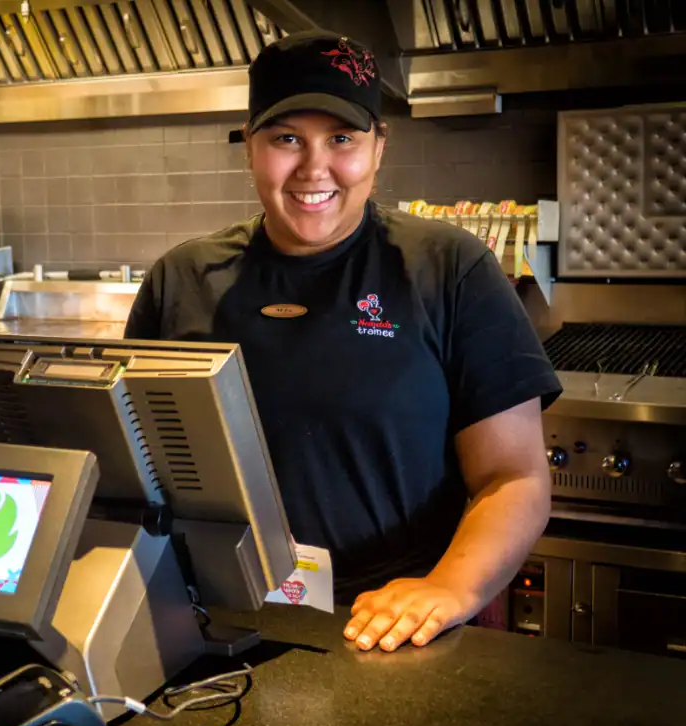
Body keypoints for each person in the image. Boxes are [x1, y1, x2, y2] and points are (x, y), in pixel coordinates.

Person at [123, 30, 561, 652]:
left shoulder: (447, 268)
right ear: (250, 146)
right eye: (286, 139)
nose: (313, 168)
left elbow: (513, 477)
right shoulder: (183, 278)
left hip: (396, 621)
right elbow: (134, 469)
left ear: (379, 148)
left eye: (342, 139)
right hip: (223, 617)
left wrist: (449, 589)